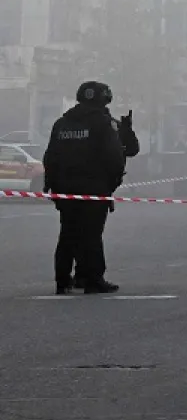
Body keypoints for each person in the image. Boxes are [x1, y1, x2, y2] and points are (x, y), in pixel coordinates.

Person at [42, 81, 139, 294]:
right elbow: (123, 154)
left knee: (68, 233)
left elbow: (50, 157)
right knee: (92, 234)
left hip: (65, 190)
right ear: (104, 99)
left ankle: (63, 279)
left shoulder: (61, 124)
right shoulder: (104, 124)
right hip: (94, 190)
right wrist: (111, 183)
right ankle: (92, 279)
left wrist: (51, 186)